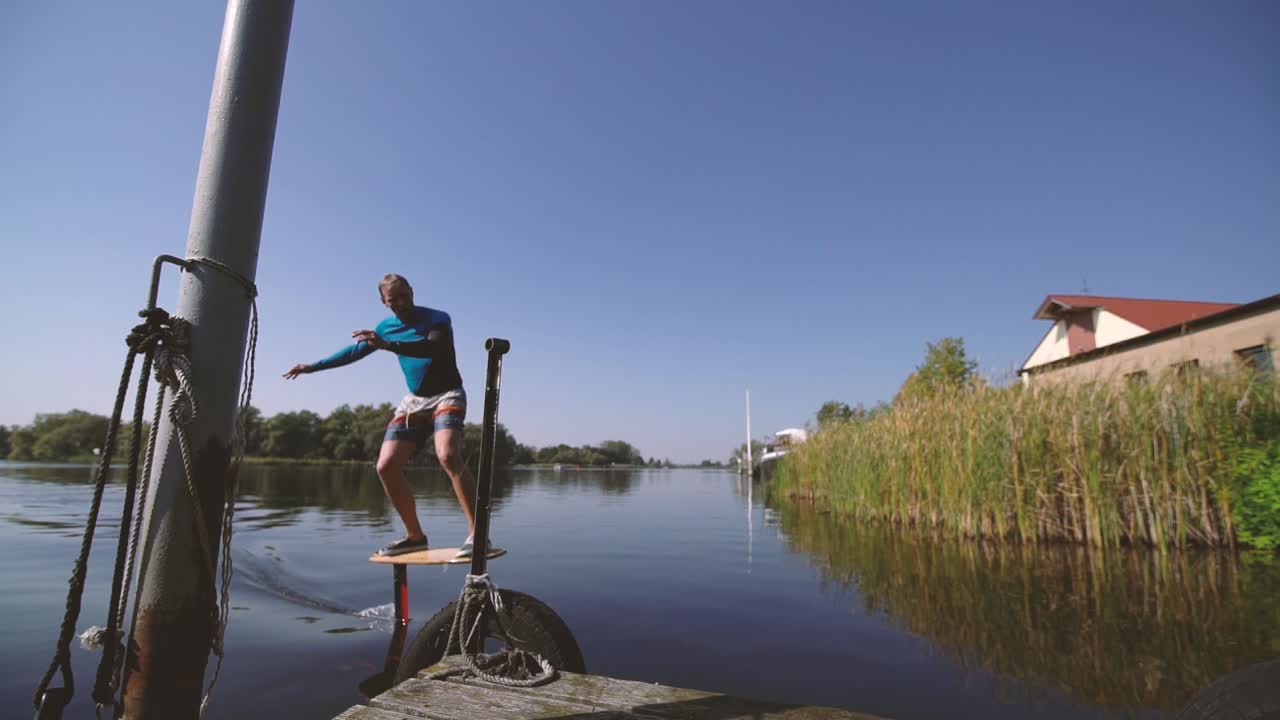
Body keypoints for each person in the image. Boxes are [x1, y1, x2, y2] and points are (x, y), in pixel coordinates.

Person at [283, 274, 484, 558]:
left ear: (412, 291)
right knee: (386, 466)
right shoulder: (385, 328)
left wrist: (388, 345)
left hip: (447, 394)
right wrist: (312, 367)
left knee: (448, 455)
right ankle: (415, 536)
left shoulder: (438, 318)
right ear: (384, 302)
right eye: (393, 300)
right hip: (414, 402)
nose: (401, 303)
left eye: (404, 296)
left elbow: (432, 347)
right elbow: (352, 354)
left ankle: (478, 534)